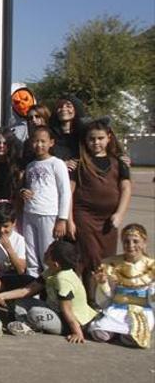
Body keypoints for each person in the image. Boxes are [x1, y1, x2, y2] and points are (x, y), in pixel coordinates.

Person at [0, 241, 98, 343]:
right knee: (21, 302)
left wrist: (77, 333)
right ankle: (26, 324)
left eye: (48, 253)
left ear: (56, 264)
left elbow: (67, 310)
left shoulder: (63, 279)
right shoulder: (51, 271)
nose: (44, 253)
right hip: (54, 311)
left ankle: (28, 326)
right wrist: (1, 296)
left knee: (34, 313)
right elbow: (28, 290)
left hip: (69, 322)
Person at [69, 120, 132, 288]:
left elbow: (126, 189)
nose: (96, 142)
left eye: (100, 138)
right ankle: (90, 300)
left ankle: (102, 297)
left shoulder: (119, 163)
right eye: (92, 139)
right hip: (85, 217)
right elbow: (70, 192)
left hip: (109, 219)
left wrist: (119, 214)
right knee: (90, 257)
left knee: (105, 259)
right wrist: (69, 220)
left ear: (109, 138)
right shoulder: (79, 163)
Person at [89, 224, 155, 348]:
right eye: (126, 242)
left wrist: (153, 290)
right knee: (99, 334)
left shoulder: (152, 266)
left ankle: (123, 334)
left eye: (136, 241)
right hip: (117, 309)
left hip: (142, 311)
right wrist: (102, 283)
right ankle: (115, 332)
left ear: (144, 242)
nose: (131, 246)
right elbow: (109, 296)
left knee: (135, 337)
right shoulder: (111, 263)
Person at [21, 126, 71, 277]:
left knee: (48, 256)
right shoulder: (30, 165)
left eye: (43, 141)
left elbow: (65, 192)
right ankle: (31, 295)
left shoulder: (56, 164)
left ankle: (50, 295)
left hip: (48, 214)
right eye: (35, 141)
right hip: (29, 213)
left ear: (51, 143)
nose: (39, 145)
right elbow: (27, 188)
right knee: (31, 257)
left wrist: (62, 219)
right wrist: (23, 192)